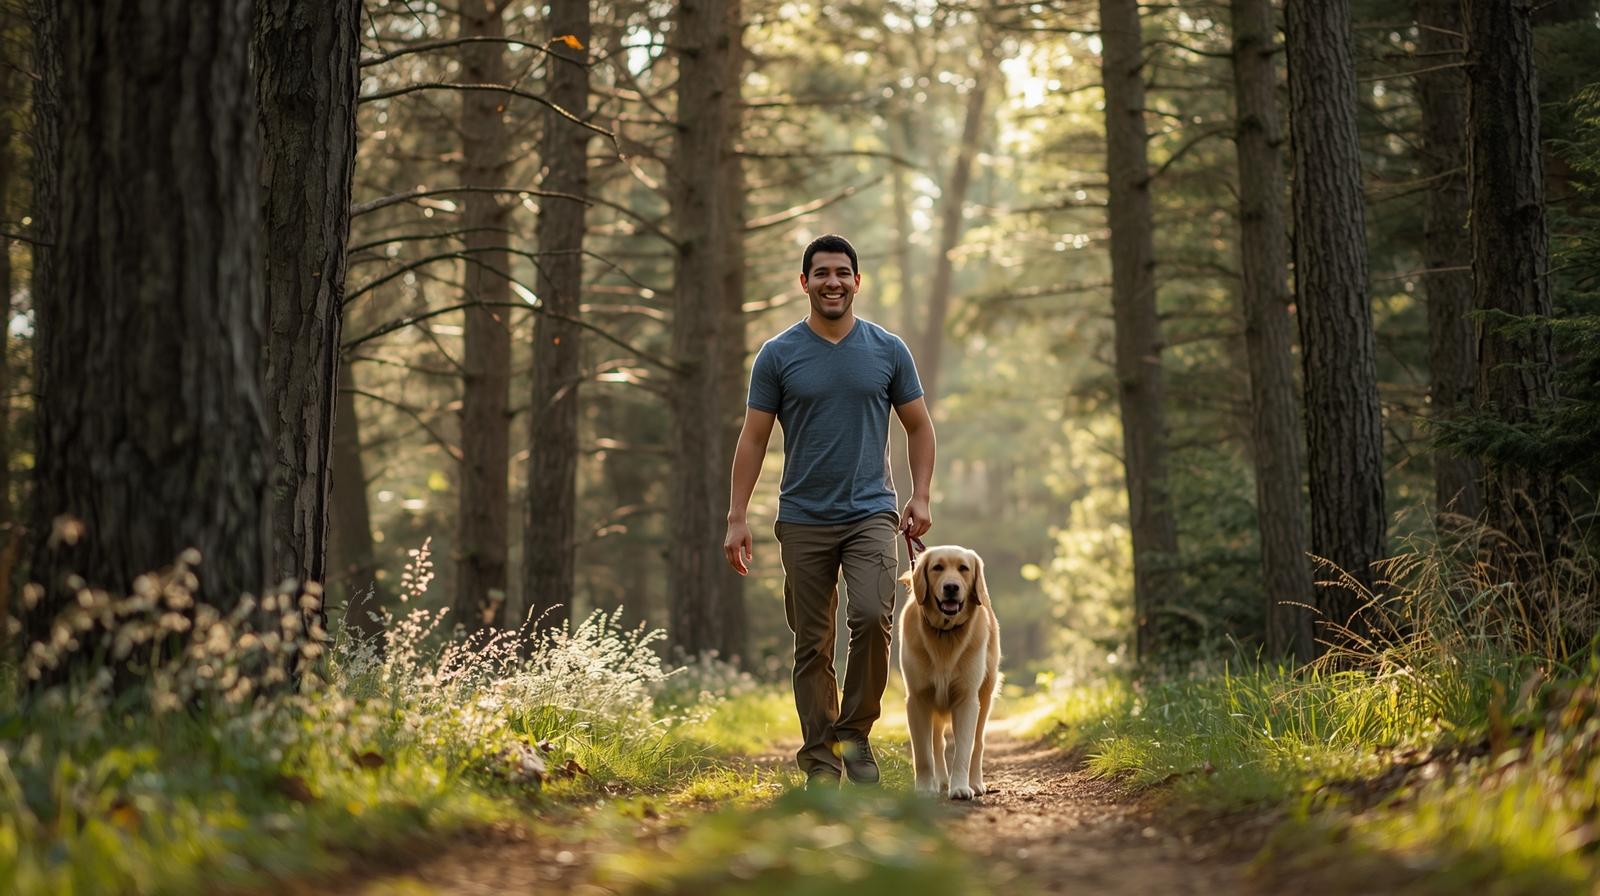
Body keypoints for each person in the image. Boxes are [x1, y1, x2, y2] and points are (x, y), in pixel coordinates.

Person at [723, 233, 936, 789]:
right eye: (821, 273)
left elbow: (919, 426)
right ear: (805, 283)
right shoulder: (778, 354)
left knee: (871, 616)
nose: (833, 282)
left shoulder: (888, 350)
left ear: (857, 282)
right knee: (811, 644)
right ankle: (820, 761)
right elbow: (752, 439)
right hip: (802, 519)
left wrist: (921, 495)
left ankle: (855, 733)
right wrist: (736, 517)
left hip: (871, 513)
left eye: (843, 272)